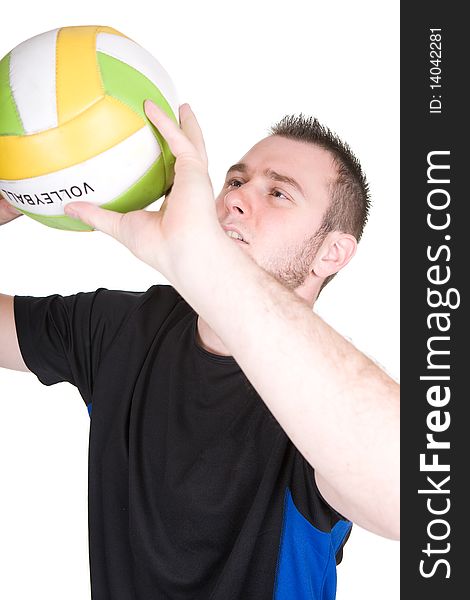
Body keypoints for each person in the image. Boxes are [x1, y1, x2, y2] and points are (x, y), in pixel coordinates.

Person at [0, 101, 399, 599]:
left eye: (277, 193)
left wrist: (202, 261)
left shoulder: (322, 397)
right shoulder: (122, 328)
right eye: (235, 181)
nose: (236, 199)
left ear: (331, 253)